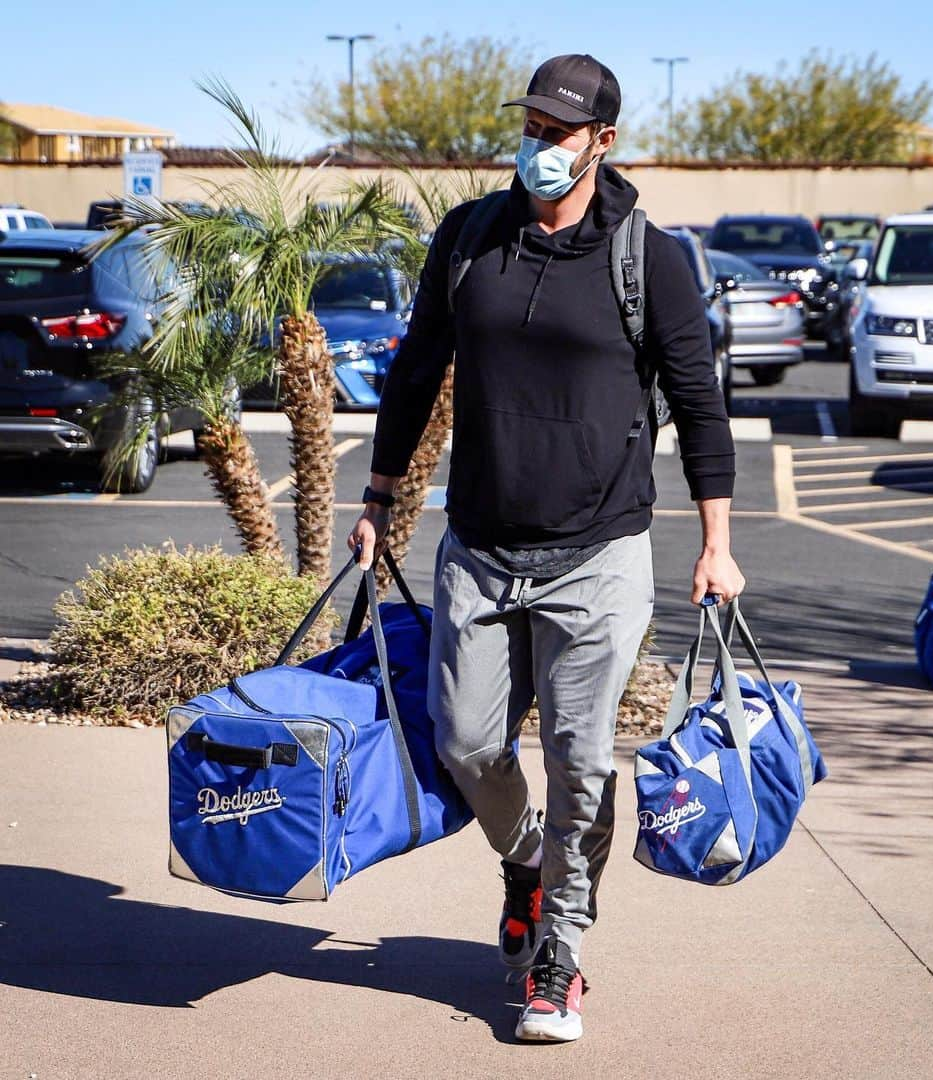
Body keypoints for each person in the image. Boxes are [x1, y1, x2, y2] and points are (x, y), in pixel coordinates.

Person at [348, 53, 744, 1043]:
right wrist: (379, 492)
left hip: (598, 551)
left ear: (603, 143)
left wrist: (716, 542)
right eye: (530, 126)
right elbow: (415, 369)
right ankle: (526, 862)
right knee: (469, 744)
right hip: (480, 544)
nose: (540, 147)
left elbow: (700, 404)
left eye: (560, 132)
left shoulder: (649, 257)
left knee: (582, 762)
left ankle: (558, 957)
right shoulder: (471, 237)